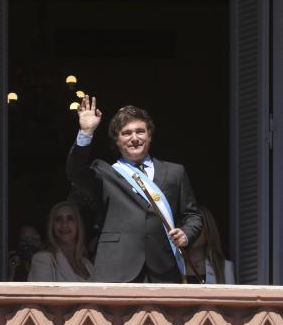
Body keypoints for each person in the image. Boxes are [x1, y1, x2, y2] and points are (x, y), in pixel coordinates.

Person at [67, 95, 202, 283]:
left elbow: (193, 215)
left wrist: (186, 234)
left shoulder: (175, 172)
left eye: (140, 131)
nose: (134, 138)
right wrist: (86, 133)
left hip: (163, 271)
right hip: (116, 269)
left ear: (149, 135)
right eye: (126, 133)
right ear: (117, 140)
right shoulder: (105, 173)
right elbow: (76, 172)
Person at [28, 201, 93, 282]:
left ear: (78, 225)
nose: (64, 225)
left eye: (70, 219)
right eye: (59, 219)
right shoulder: (43, 259)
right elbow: (41, 294)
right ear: (52, 226)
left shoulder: (88, 264)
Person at [186, 205, 235, 284]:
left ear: (209, 229)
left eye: (198, 226)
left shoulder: (225, 268)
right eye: (187, 225)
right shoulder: (172, 267)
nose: (193, 231)